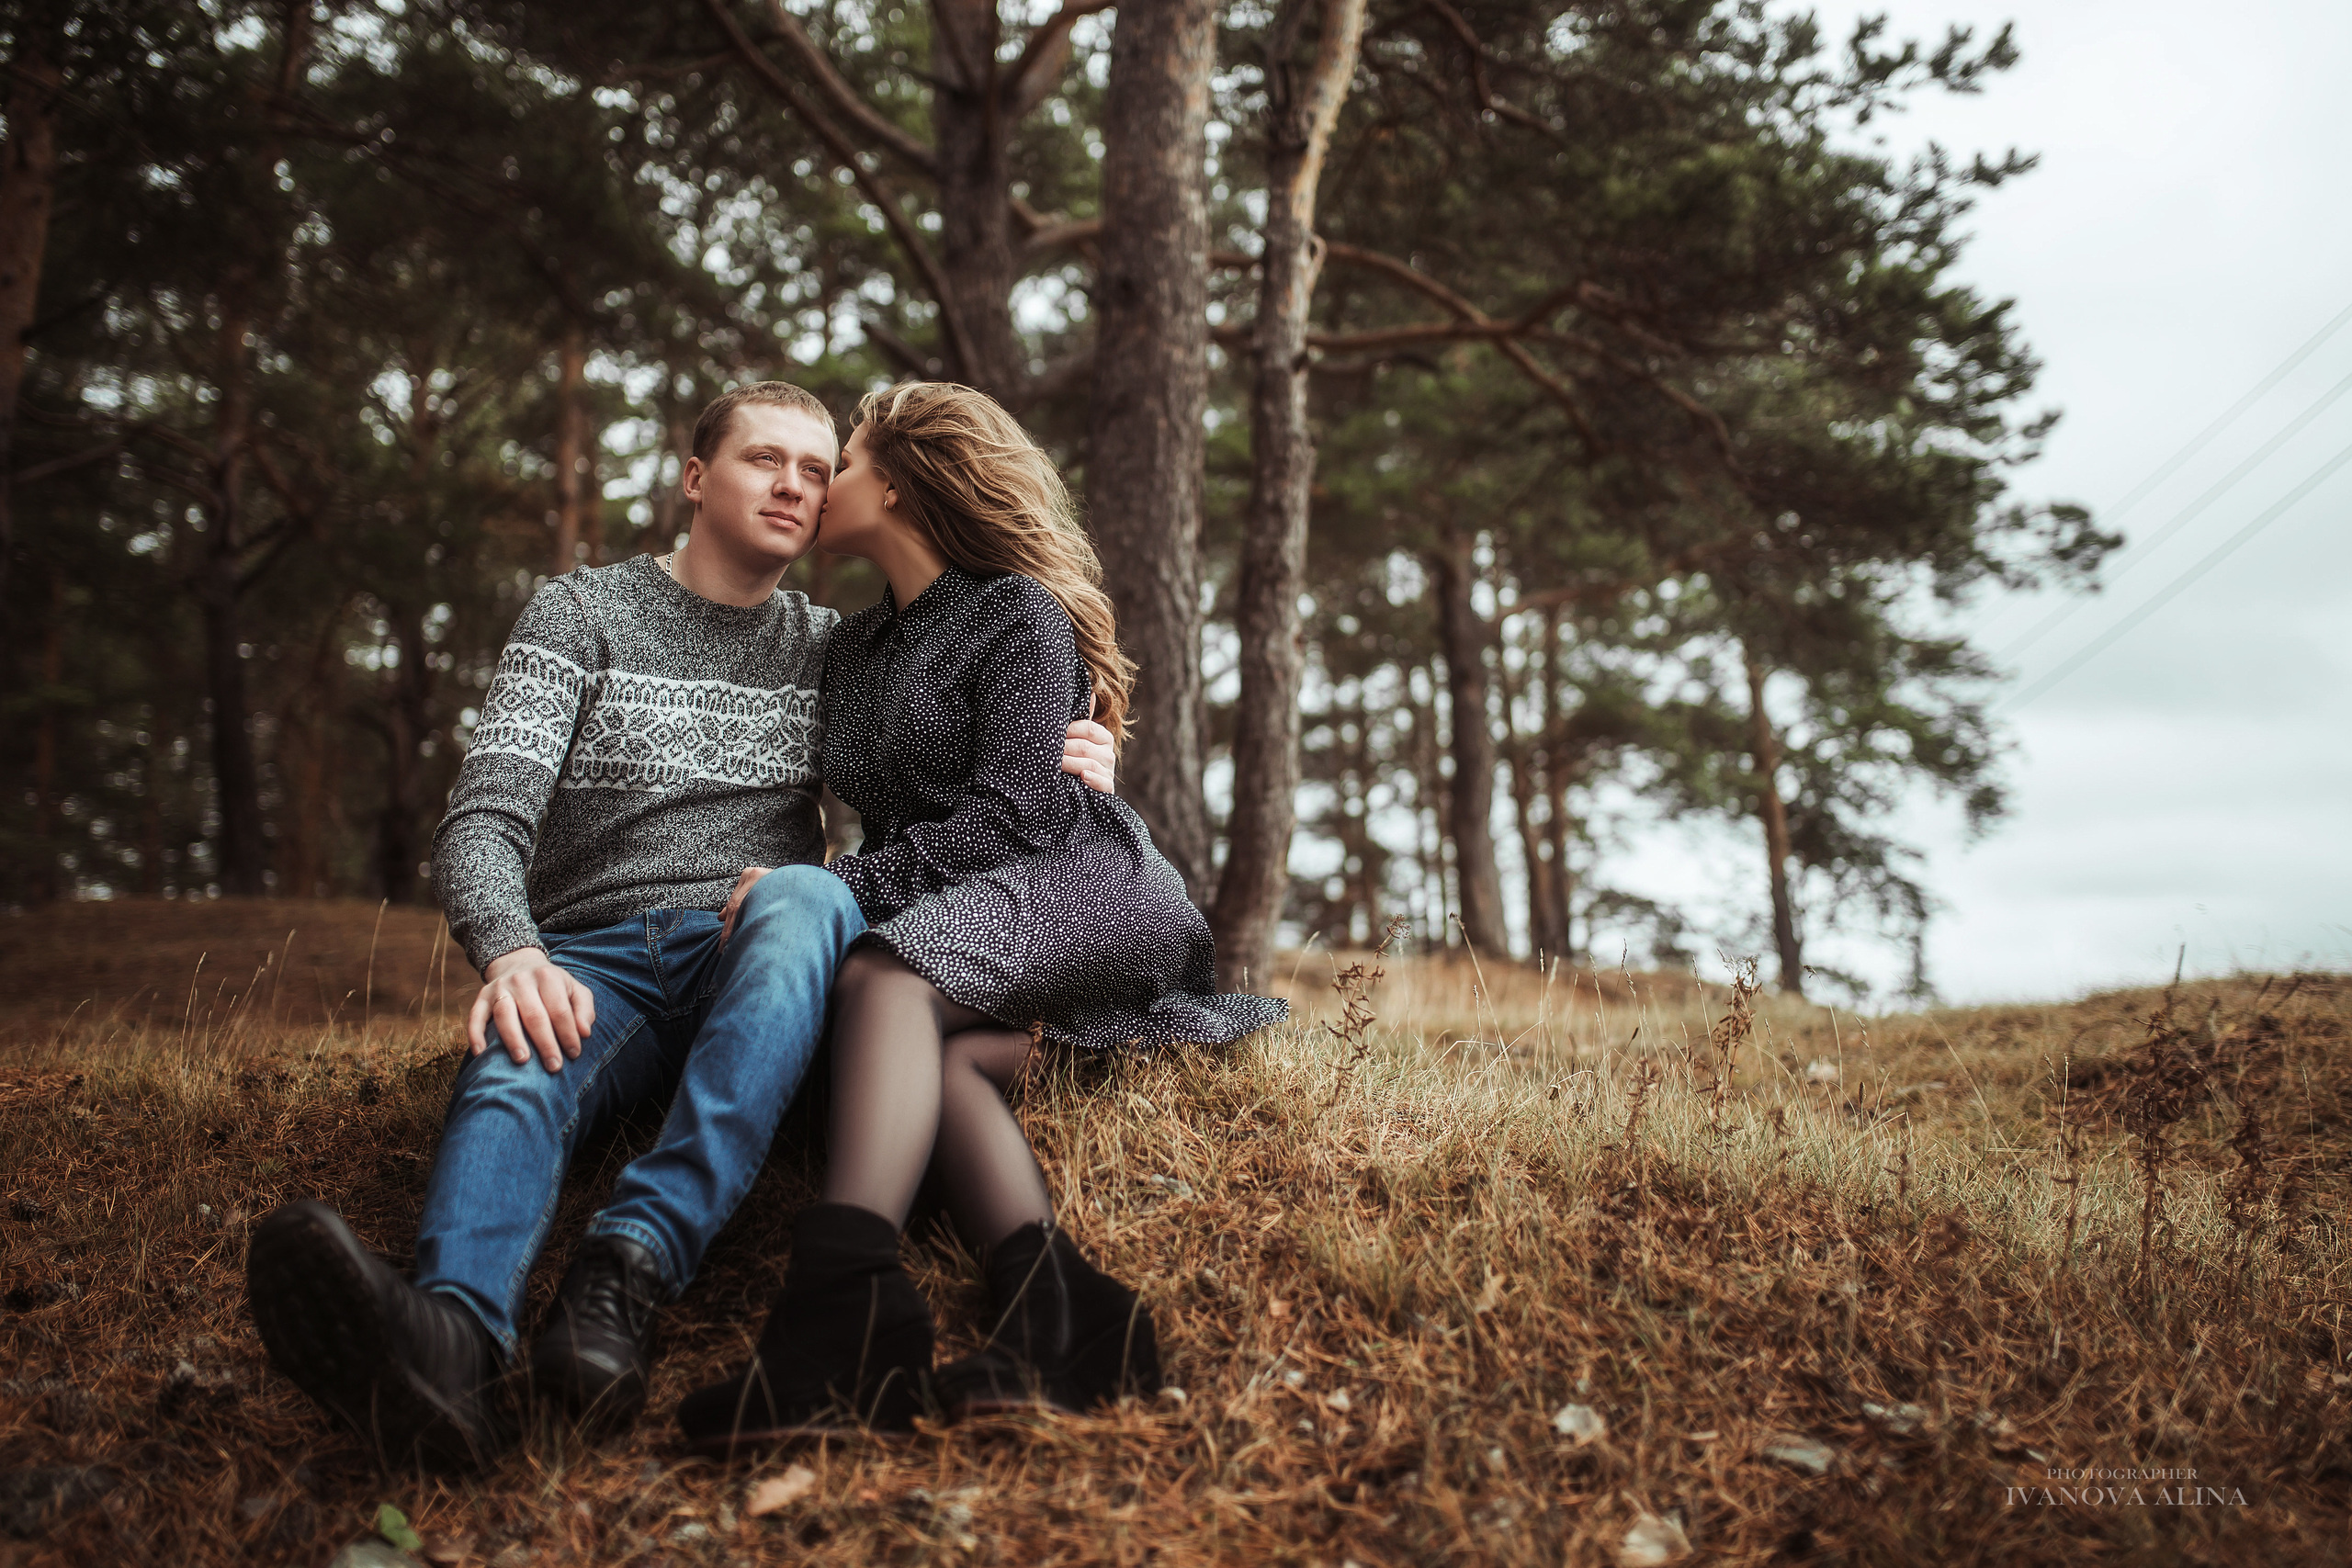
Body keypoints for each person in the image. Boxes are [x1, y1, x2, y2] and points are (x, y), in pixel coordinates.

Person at [242, 381, 1118, 1472]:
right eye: (766, 460)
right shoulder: (580, 614)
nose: (797, 485)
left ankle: (628, 1270)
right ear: (696, 480)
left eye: (817, 466)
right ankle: (451, 1339)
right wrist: (511, 951)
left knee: (808, 894)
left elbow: (954, 766)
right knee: (522, 1051)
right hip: (591, 953)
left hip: (760, 955)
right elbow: (483, 818)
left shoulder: (836, 649)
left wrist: (1073, 757)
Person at [674, 381, 1287, 1456]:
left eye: (842, 464)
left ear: (900, 489)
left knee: (884, 980)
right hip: (961, 902)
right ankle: (1068, 1320)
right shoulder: (856, 648)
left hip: (1076, 877)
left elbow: (1014, 814)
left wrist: (832, 890)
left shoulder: (1016, 613)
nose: (820, 486)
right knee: (935, 1058)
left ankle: (846, 1320)